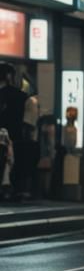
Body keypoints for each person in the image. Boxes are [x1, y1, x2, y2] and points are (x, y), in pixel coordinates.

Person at [0, 63, 27, 199]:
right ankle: (11, 190)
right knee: (12, 164)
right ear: (9, 76)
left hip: (5, 137)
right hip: (15, 135)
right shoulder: (20, 96)